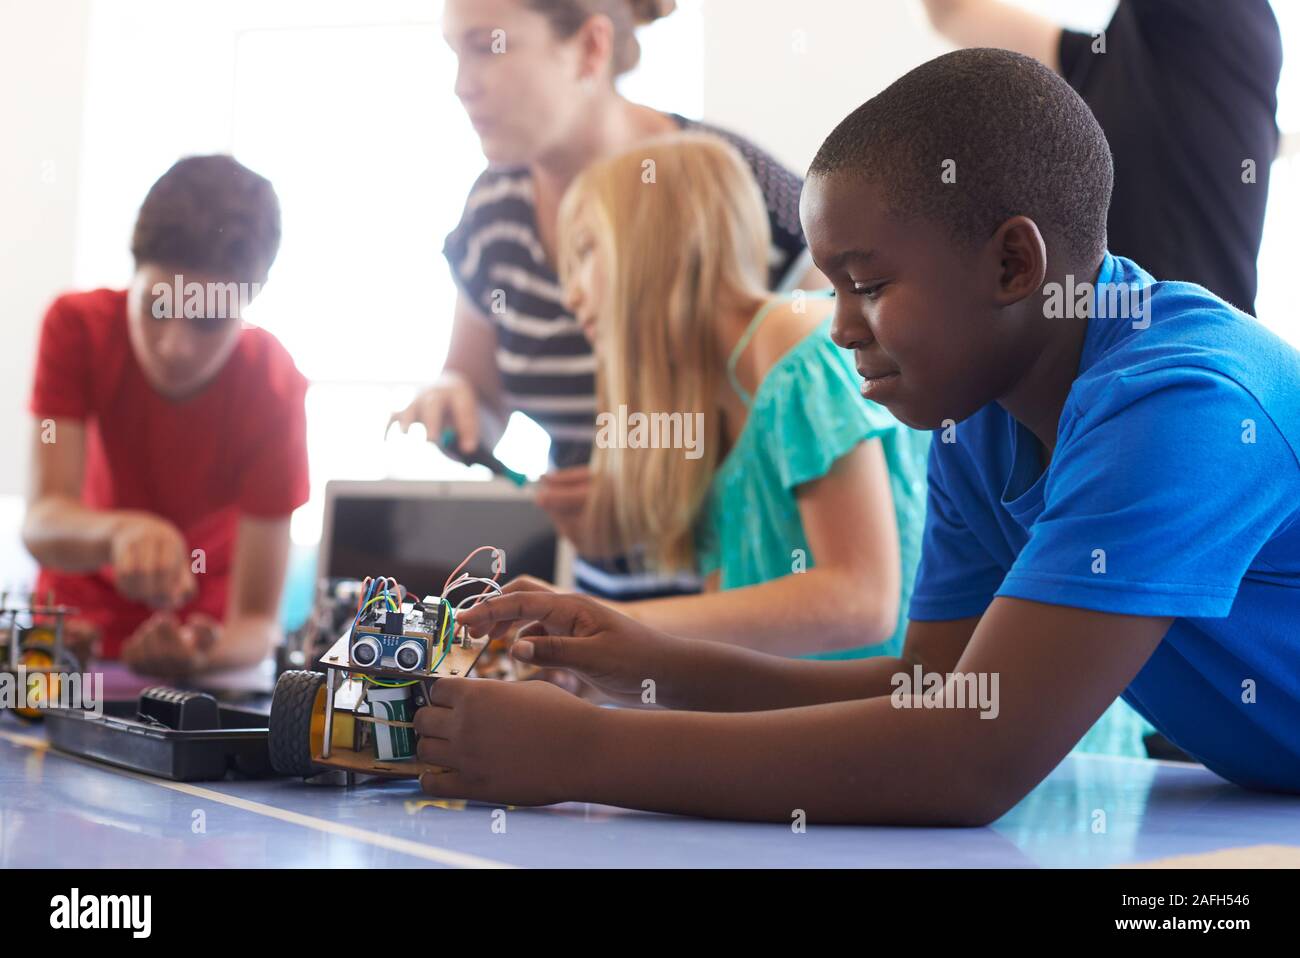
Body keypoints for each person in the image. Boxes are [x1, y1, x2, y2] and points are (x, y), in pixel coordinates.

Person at [407, 50, 1300, 823]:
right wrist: (650, 664)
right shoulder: (973, 422)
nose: (839, 327)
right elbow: (934, 684)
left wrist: (590, 753)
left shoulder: (1182, 404)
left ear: (1012, 265)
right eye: (831, 285)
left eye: (866, 285)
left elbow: (967, 755)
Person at [390, 0, 820, 602]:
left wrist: (653, 493)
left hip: (752, 604)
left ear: (590, 48)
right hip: (596, 602)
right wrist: (455, 397)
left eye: (488, 47)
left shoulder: (739, 189)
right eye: (453, 53)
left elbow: (832, 410)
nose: (462, 85)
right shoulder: (491, 212)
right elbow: (479, 391)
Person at [550, 132, 927, 657]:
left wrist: (599, 621)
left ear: (659, 243)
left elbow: (861, 601)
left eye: (587, 251)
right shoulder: (717, 406)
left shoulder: (795, 351)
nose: (572, 293)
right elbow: (733, 635)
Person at [23, 155, 309, 677]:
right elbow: (41, 521)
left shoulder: (272, 383)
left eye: (208, 321)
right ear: (132, 273)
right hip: (68, 644)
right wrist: (119, 532)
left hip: (201, 648)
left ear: (253, 299)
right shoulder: (76, 328)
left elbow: (256, 623)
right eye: (155, 307)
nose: (174, 346)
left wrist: (203, 656)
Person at [919, 0, 1282, 315]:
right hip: (1125, 357)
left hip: (1185, 362)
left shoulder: (1220, 18)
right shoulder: (1117, 58)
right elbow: (955, 13)